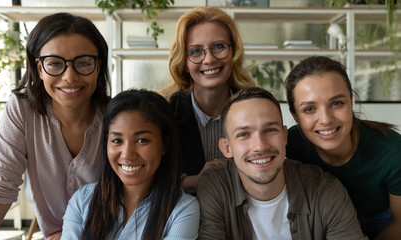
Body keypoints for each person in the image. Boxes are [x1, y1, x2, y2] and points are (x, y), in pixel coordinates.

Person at [0, 13, 110, 239]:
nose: (69, 76)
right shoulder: (23, 110)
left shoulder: (116, 116)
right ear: (39, 68)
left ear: (98, 66)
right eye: (55, 64)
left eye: (84, 63)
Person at [197, 87, 367, 240]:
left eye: (270, 130)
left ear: (285, 136)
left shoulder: (326, 190)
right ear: (227, 148)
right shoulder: (215, 187)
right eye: (244, 134)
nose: (260, 146)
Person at [284, 56, 401, 240]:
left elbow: (399, 222)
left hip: (382, 226)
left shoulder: (392, 151)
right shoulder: (290, 144)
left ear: (351, 101)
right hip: (324, 223)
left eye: (336, 103)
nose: (326, 119)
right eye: (309, 109)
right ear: (295, 115)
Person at [61, 89, 200, 239]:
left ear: (164, 145)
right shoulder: (82, 201)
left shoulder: (183, 209)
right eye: (117, 141)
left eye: (142, 140)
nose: (127, 154)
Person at [161, 6, 255, 194]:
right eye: (195, 51)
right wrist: (190, 182)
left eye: (219, 47)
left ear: (233, 53)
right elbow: (147, 178)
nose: (209, 59)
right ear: (184, 63)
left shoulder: (255, 107)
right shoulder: (164, 113)